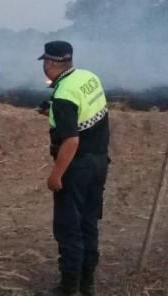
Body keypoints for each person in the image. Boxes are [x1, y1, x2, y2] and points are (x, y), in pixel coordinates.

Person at [36, 41, 110, 296]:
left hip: (76, 169)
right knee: (89, 224)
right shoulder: (88, 77)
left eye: (45, 62)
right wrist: (52, 109)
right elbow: (86, 112)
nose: (44, 67)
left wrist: (56, 175)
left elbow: (71, 140)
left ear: (50, 63)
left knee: (69, 229)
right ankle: (86, 285)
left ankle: (67, 289)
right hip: (99, 162)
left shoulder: (64, 94)